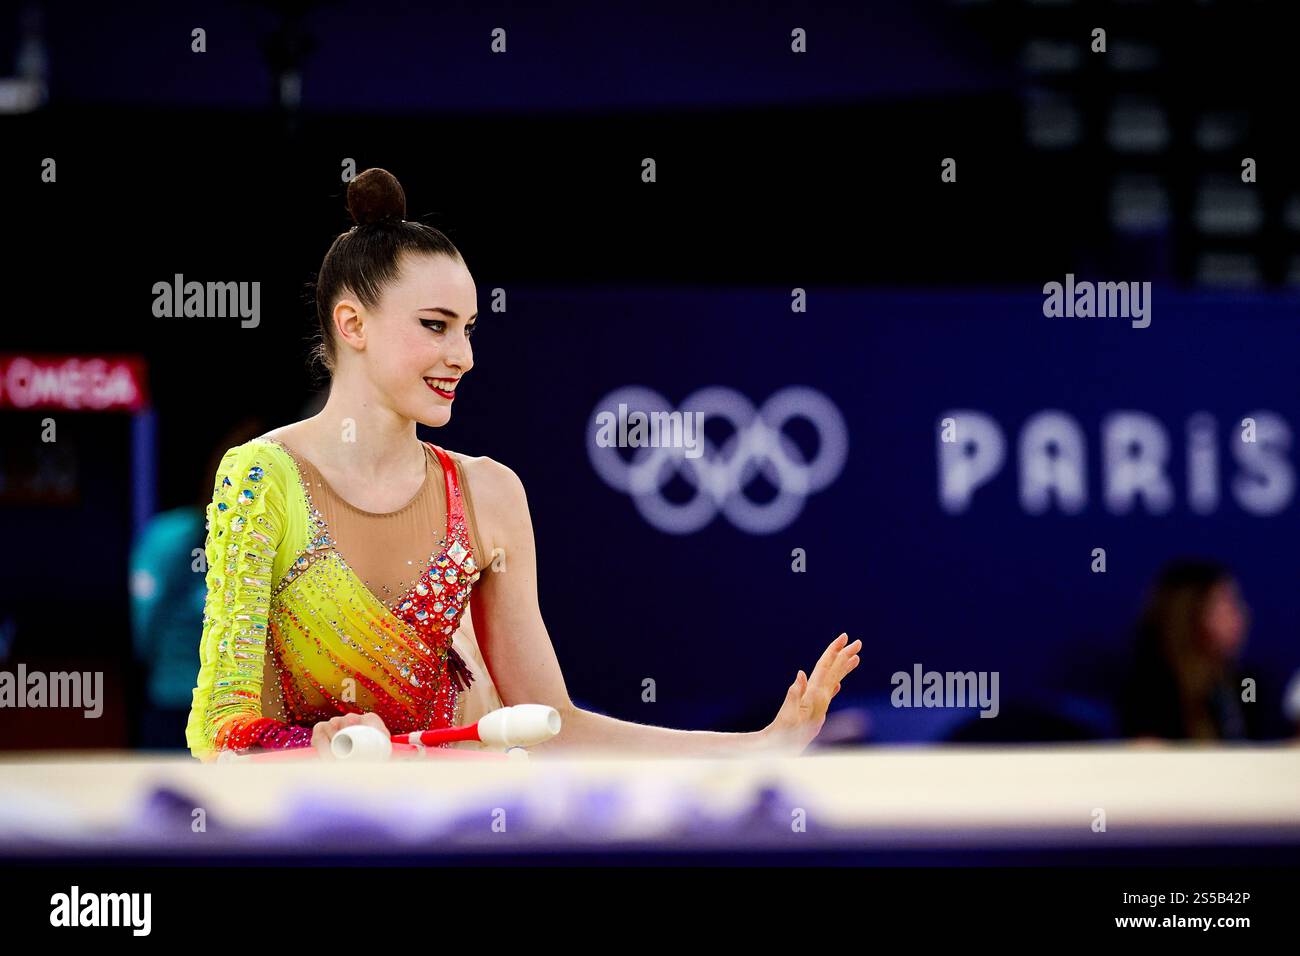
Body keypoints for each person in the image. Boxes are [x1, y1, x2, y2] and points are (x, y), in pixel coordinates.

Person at [185, 168, 860, 761]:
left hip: (458, 832)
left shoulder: (489, 493)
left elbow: (554, 728)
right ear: (353, 325)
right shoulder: (262, 477)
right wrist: (309, 747)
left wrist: (758, 745)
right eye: (435, 325)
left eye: (470, 328)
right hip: (305, 838)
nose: (464, 356)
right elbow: (218, 730)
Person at [1119, 558, 1262, 741]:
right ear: (1189, 613)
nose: (1242, 614)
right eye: (1228, 603)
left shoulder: (1245, 685)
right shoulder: (1151, 690)